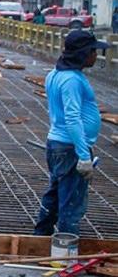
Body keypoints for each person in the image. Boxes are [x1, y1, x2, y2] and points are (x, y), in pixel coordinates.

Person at [34, 31, 109, 236]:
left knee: (55, 195)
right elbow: (72, 117)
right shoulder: (72, 80)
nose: (96, 56)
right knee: (71, 204)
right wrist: (84, 155)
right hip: (71, 147)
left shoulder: (55, 74)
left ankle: (40, 239)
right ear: (83, 54)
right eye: (93, 51)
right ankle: (66, 248)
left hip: (58, 144)